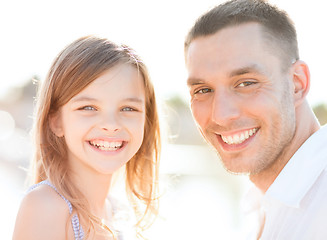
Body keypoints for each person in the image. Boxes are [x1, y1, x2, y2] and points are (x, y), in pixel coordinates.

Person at [184, 0, 327, 239]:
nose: (220, 114)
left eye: (246, 83)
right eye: (203, 90)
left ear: (297, 83)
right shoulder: (258, 204)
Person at [12, 36, 161, 240]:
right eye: (88, 107)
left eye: (128, 108)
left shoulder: (118, 211)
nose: (111, 124)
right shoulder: (46, 206)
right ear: (56, 121)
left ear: (146, 119)